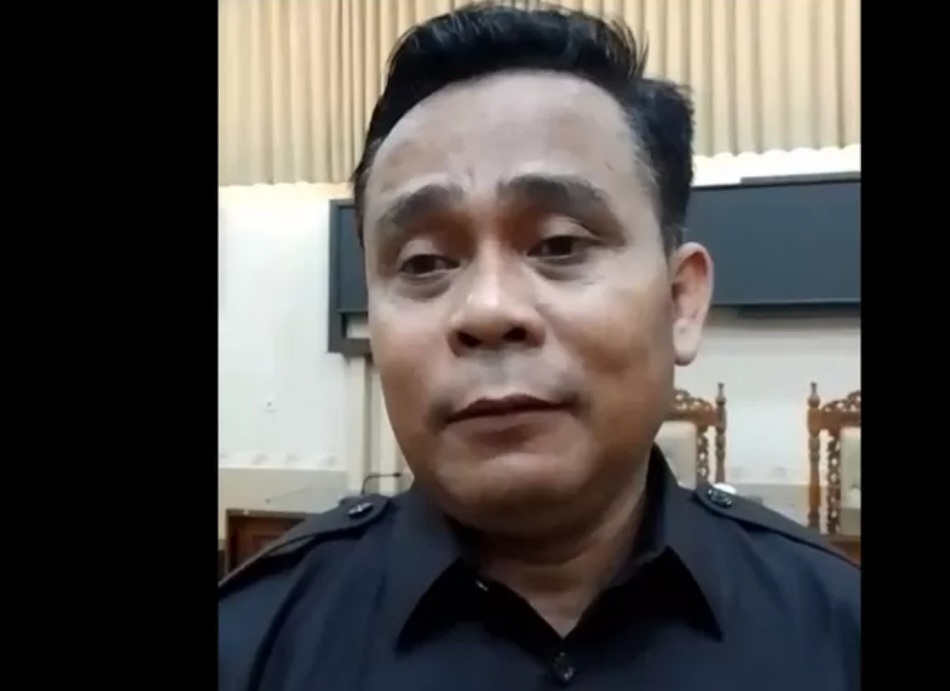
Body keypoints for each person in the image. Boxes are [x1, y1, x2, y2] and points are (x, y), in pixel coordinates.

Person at [218, 3, 860, 689]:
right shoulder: (252, 644)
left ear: (680, 301)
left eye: (559, 245)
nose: (489, 311)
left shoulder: (835, 630)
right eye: (424, 262)